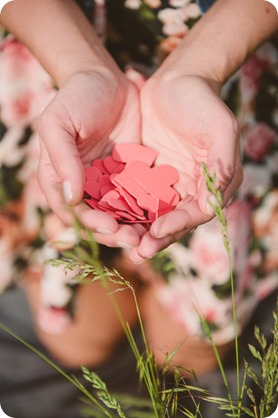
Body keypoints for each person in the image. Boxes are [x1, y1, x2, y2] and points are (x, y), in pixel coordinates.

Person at [0, 0, 277, 415]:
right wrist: (81, 67)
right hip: (60, 74)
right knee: (76, 339)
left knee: (189, 350)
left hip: (223, 82)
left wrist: (197, 70)